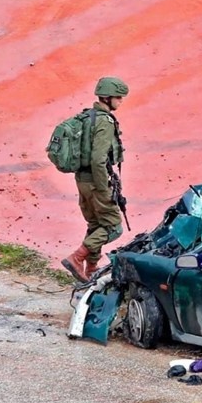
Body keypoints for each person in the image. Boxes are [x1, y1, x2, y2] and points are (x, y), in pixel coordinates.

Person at [61, 76, 129, 282]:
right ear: (108, 98)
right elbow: (99, 159)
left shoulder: (86, 117)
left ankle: (91, 269)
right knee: (113, 227)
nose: (121, 101)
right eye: (119, 97)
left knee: (95, 225)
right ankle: (77, 257)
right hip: (95, 182)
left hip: (82, 180)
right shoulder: (104, 121)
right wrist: (103, 189)